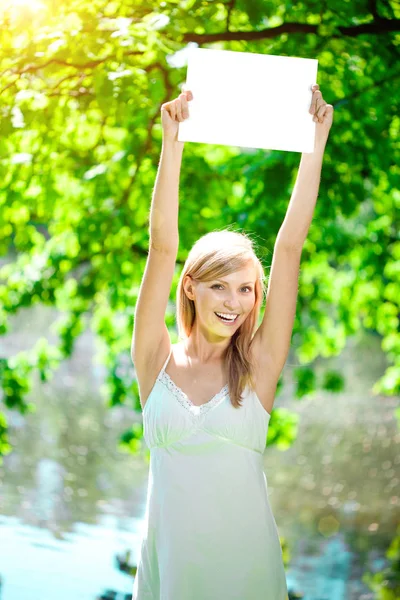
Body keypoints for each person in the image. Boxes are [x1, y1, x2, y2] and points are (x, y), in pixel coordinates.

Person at [131, 83, 334, 599]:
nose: (233, 301)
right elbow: (162, 246)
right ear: (191, 287)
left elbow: (288, 248)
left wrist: (315, 144)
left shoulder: (259, 368)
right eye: (219, 284)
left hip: (246, 578)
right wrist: (171, 144)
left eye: (246, 289)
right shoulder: (155, 362)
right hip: (172, 577)